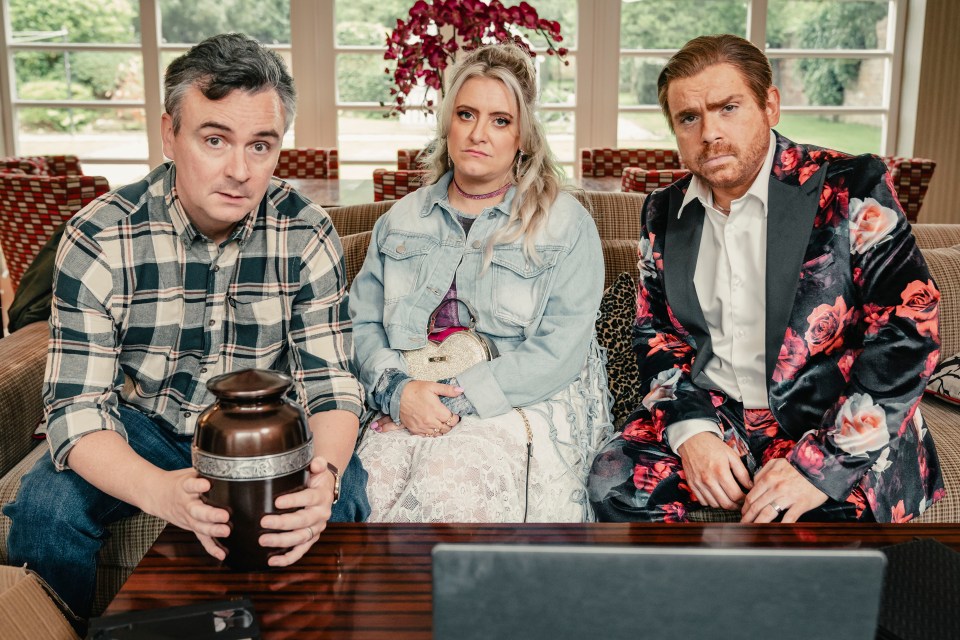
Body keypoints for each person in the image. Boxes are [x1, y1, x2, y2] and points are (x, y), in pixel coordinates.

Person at [3, 33, 369, 620]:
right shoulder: (99, 236)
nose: (239, 171)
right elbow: (76, 410)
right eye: (215, 139)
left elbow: (329, 384)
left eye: (261, 146)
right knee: (46, 505)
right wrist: (163, 493)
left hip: (265, 433)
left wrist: (323, 479)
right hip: (143, 423)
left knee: (346, 494)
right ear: (170, 134)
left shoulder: (308, 232)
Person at [588, 34, 944, 524]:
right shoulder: (663, 212)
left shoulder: (851, 186)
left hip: (832, 417)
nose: (710, 132)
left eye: (728, 107)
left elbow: (909, 331)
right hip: (719, 412)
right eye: (689, 118)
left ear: (769, 105)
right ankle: (675, 600)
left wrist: (819, 467)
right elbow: (658, 337)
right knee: (614, 482)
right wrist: (693, 432)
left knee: (824, 543)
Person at [349, 43, 611, 522]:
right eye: (466, 114)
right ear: (447, 123)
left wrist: (455, 398)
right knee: (369, 488)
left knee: (449, 482)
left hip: (516, 398)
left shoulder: (566, 223)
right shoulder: (401, 219)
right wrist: (398, 393)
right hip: (408, 394)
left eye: (500, 120)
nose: (478, 133)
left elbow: (560, 350)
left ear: (524, 136)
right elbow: (362, 325)